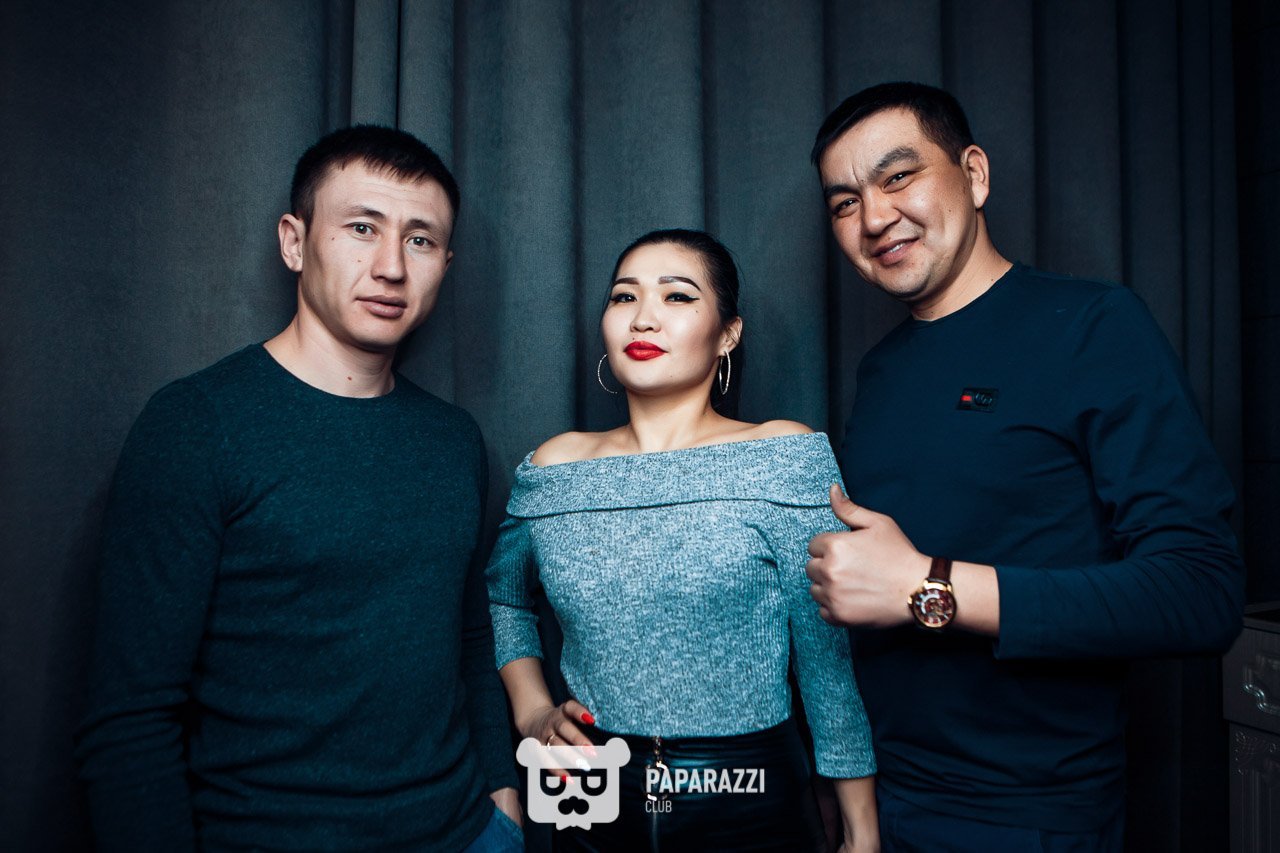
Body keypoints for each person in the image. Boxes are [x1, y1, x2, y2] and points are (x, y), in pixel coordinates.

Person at [804, 81, 1246, 851]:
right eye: (845, 202)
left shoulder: (1093, 325)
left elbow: (1200, 591)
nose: (873, 217)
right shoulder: (880, 371)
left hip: (1028, 815)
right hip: (883, 801)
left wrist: (926, 586)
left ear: (974, 175)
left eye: (898, 176)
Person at [75, 125, 522, 852]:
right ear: (294, 241)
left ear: (444, 263)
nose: (390, 267)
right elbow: (130, 717)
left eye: (419, 240)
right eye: (361, 228)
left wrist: (502, 794)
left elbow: (468, 637)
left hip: (467, 833)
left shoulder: (454, 440)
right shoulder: (196, 425)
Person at [485, 228, 878, 852]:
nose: (643, 318)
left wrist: (861, 829)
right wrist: (532, 712)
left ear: (728, 334)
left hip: (750, 796)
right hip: (590, 792)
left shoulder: (782, 455)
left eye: (677, 296)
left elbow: (826, 657)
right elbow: (503, 597)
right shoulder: (553, 469)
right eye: (624, 297)